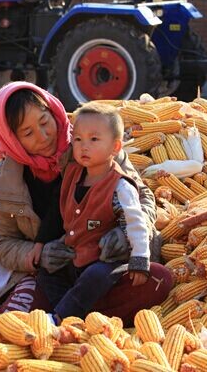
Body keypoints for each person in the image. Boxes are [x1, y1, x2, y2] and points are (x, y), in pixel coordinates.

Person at [0, 81, 172, 325]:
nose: (43, 137)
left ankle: (68, 315)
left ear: (54, 112)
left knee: (157, 279)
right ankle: (83, 314)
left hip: (102, 263)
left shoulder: (93, 137)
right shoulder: (5, 177)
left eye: (45, 122)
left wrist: (125, 234)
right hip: (56, 273)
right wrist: (38, 256)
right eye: (28, 133)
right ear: (12, 139)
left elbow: (143, 197)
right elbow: (1, 242)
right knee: (21, 314)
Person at [35, 102, 152, 321]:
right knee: (46, 274)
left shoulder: (120, 186)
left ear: (116, 148)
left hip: (105, 259)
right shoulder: (72, 175)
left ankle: (60, 317)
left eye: (94, 139)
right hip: (74, 255)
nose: (83, 146)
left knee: (95, 277)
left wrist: (139, 258)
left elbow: (136, 223)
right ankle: (72, 311)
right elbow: (56, 210)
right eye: (78, 139)